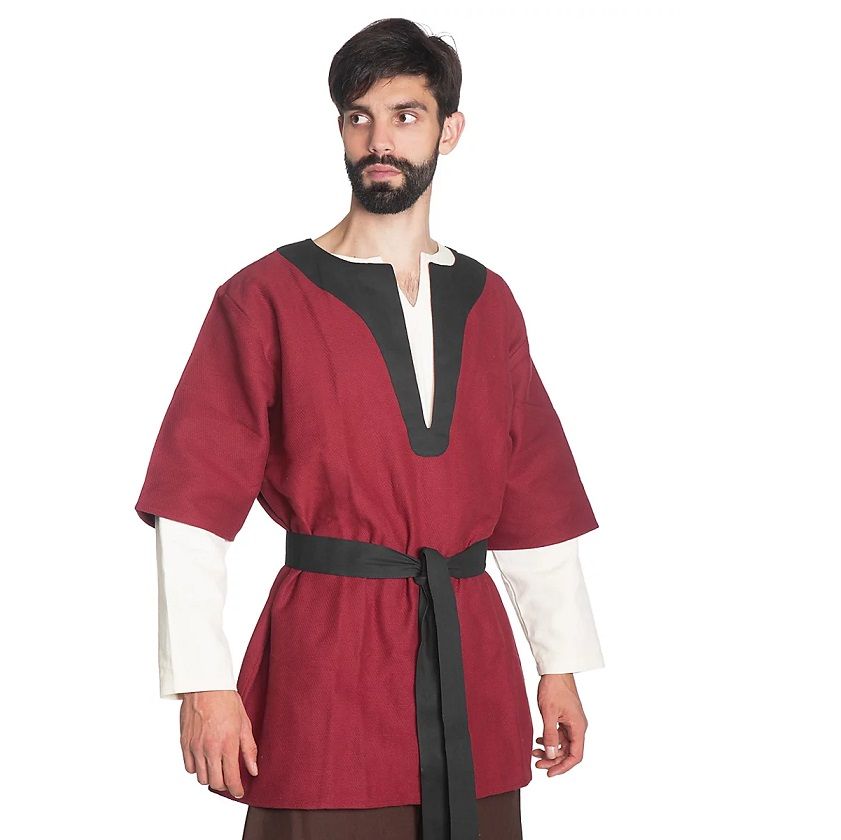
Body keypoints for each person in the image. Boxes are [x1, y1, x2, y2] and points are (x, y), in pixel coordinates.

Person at [135, 17, 604, 840]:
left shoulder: (488, 303)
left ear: (448, 130)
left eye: (404, 115)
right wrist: (203, 683)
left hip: (470, 669)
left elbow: (533, 495)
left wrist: (558, 666)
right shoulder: (264, 298)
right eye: (359, 117)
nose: (378, 140)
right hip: (325, 663)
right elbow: (194, 502)